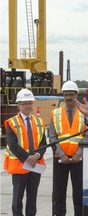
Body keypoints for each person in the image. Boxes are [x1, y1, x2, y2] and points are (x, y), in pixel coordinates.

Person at [4, 88, 47, 216]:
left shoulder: (39, 122)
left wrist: (37, 155)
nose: (28, 106)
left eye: (30, 103)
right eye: (24, 103)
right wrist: (28, 158)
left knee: (32, 197)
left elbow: (43, 143)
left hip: (35, 165)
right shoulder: (11, 123)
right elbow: (13, 145)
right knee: (17, 198)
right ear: (18, 105)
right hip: (20, 165)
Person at [49, 81, 88, 216]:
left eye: (71, 94)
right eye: (66, 95)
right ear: (63, 96)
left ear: (76, 95)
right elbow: (52, 137)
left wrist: (79, 154)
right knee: (58, 194)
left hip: (79, 159)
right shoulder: (55, 114)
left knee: (79, 193)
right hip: (61, 160)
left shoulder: (84, 112)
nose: (68, 97)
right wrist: (62, 155)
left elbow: (87, 136)